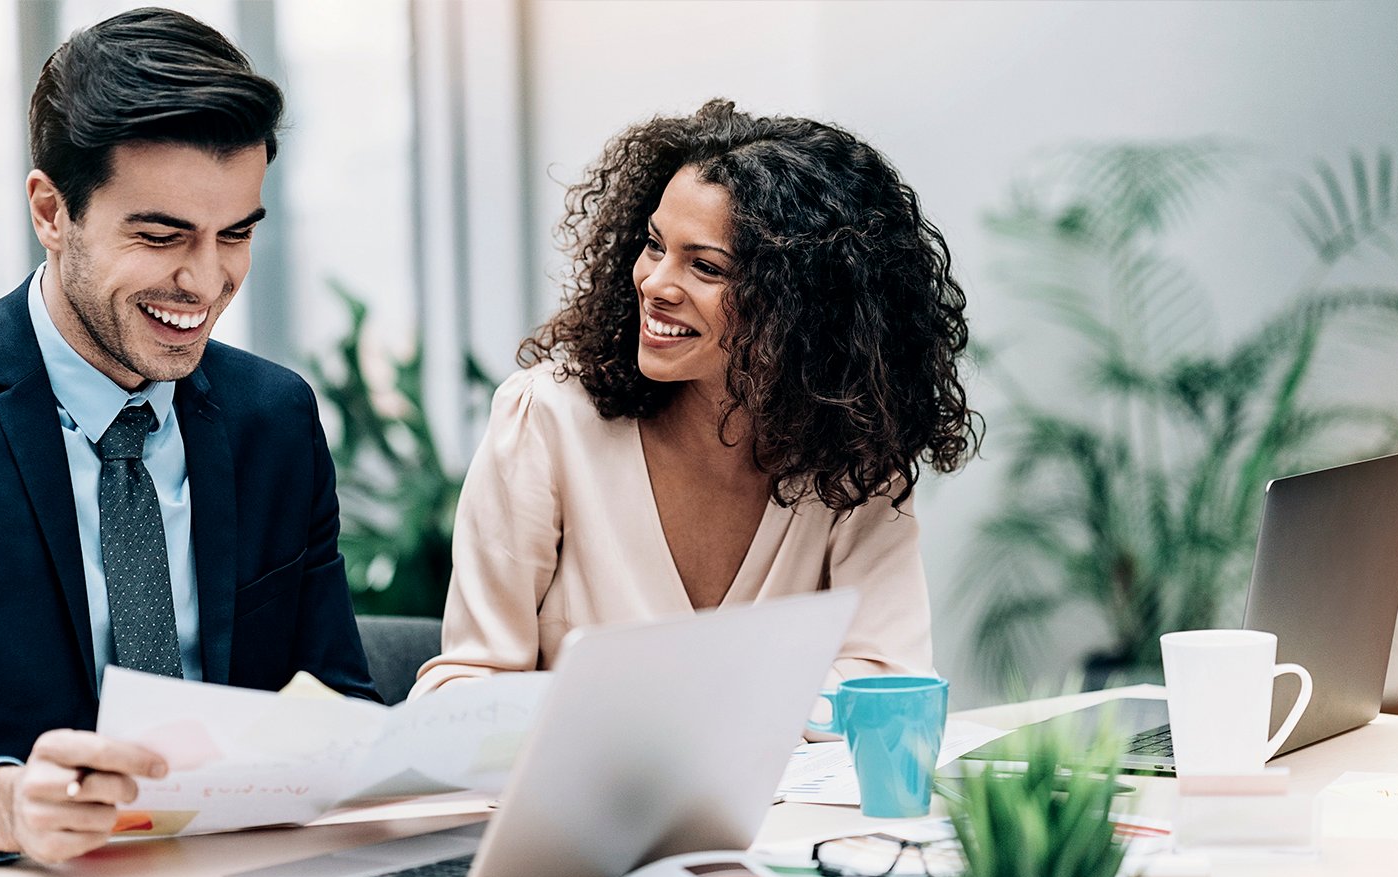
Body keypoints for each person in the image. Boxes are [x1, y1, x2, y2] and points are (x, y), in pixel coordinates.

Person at [0, 7, 378, 877]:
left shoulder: (275, 419)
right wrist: (1, 804)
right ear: (50, 210)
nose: (206, 280)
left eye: (236, 233)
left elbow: (339, 705)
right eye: (161, 236)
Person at [410, 100, 980, 701]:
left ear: (804, 304)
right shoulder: (547, 417)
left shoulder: (852, 449)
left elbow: (890, 681)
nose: (653, 284)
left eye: (705, 267)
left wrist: (703, 710)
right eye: (655, 245)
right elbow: (463, 686)